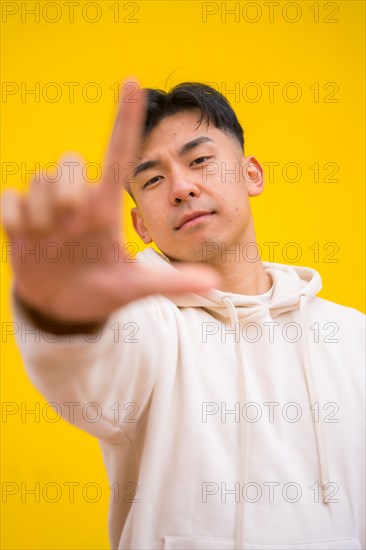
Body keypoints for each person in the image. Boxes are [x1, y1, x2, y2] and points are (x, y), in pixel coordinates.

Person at [2, 78, 364, 550]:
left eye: (200, 160)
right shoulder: (144, 326)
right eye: (152, 179)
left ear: (251, 175)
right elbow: (89, 367)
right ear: (141, 225)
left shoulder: (353, 336)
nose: (181, 188)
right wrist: (63, 312)